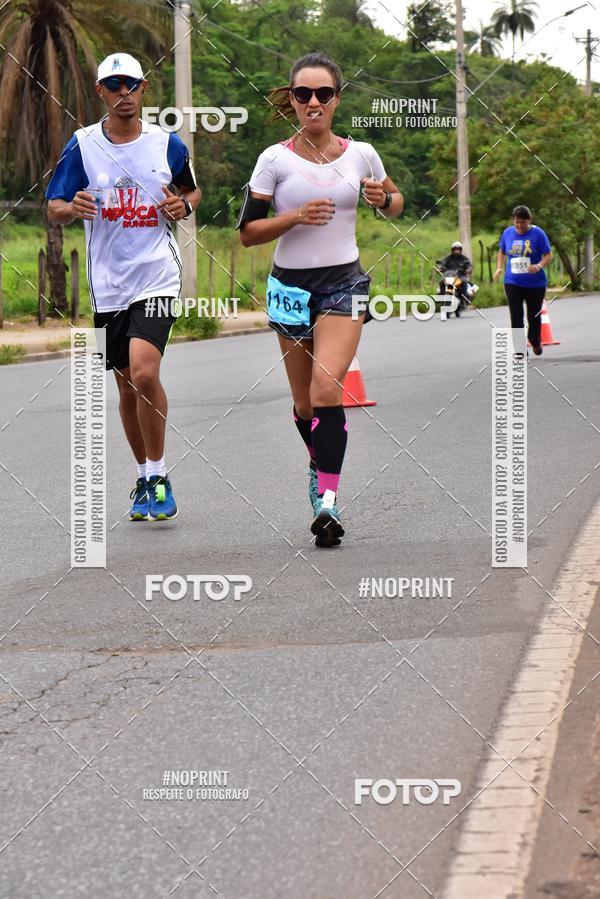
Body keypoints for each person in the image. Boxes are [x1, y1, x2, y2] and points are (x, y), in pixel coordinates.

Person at [238, 52, 403, 547]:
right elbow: (247, 233)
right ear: (291, 100)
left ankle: (327, 502)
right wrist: (294, 217)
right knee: (305, 402)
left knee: (328, 391)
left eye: (323, 94)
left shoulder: (362, 154)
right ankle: (320, 463)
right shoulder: (274, 160)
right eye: (303, 94)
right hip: (289, 288)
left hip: (344, 284)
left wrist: (383, 200)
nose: (313, 102)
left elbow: (395, 201)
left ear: (337, 99)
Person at [46, 53, 201, 521]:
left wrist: (184, 208)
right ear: (101, 92)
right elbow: (53, 205)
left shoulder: (166, 144)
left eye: (131, 85)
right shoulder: (82, 145)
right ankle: (143, 477)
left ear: (144, 87)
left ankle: (159, 475)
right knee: (127, 389)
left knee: (144, 372)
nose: (124, 94)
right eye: (114, 86)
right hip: (107, 284)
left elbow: (191, 191)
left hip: (156, 273)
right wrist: (71, 207)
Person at [494, 205, 552, 356]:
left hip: (535, 283)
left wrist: (538, 266)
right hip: (512, 282)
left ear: (529, 221)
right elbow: (501, 251)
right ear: (513, 220)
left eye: (523, 222)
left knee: (533, 315)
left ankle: (535, 340)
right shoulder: (507, 233)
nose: (520, 225)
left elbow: (548, 255)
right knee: (516, 315)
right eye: (517, 222)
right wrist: (499, 268)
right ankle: (520, 350)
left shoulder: (538, 234)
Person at [438, 241, 471, 308]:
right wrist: (440, 268)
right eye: (455, 249)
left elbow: (469, 265)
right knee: (441, 281)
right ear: (452, 250)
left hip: (460, 275)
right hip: (449, 275)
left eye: (458, 249)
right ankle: (442, 296)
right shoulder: (448, 258)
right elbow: (442, 263)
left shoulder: (464, 259)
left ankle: (463, 300)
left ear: (460, 250)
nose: (457, 251)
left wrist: (468, 269)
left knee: (464, 281)